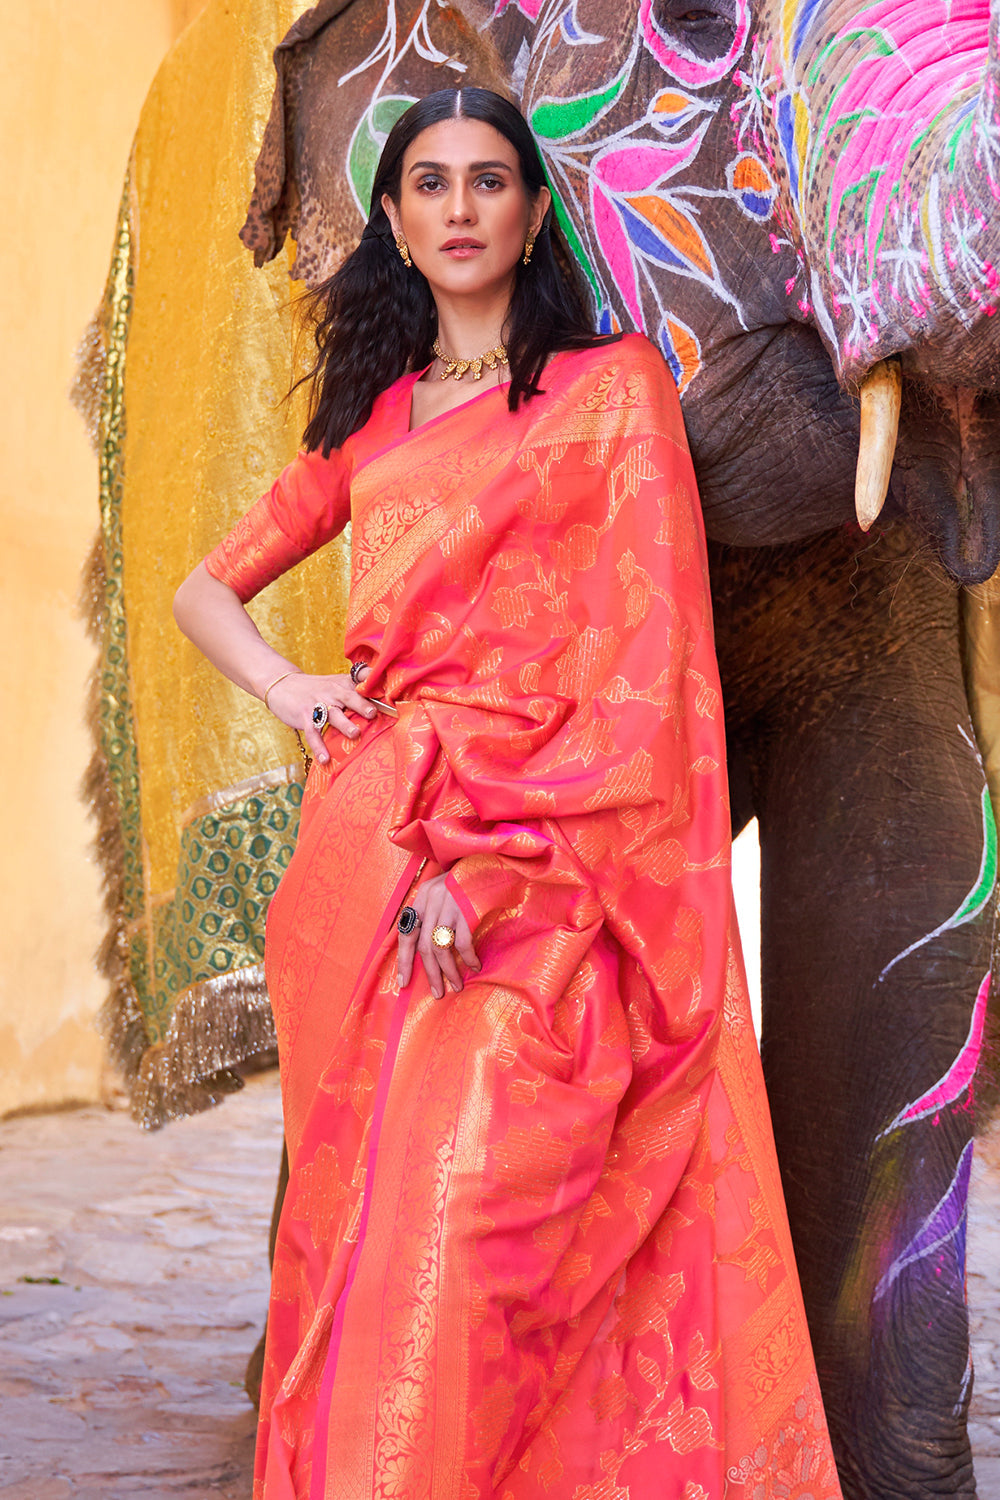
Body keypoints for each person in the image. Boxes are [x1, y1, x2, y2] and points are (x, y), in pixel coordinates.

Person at [174, 87, 842, 1500]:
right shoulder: (371, 424)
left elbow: (647, 668)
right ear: (396, 221)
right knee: (372, 1225)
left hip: (553, 861)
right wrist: (295, 693)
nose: (461, 207)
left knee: (474, 1211)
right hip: (377, 859)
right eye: (430, 183)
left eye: (489, 180)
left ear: (536, 214)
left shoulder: (612, 395)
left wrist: (493, 859)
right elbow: (205, 591)